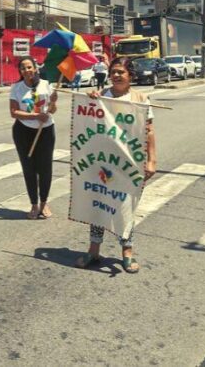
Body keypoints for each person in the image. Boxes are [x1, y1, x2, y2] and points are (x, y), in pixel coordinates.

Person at [74, 57, 157, 274]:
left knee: (125, 208)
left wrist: (151, 161)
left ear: (130, 75)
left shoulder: (140, 100)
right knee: (98, 204)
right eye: (114, 71)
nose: (117, 75)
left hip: (129, 164)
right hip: (102, 161)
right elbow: (89, 121)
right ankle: (93, 251)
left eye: (121, 72)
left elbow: (149, 131)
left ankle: (127, 253)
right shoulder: (102, 96)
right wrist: (91, 100)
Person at [9, 56, 58, 220]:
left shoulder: (47, 85)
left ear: (35, 68)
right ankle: (34, 204)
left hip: (45, 131)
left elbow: (52, 110)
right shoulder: (16, 88)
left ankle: (44, 203)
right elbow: (14, 112)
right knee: (29, 168)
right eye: (23, 68)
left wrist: (53, 103)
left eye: (29, 67)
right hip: (23, 132)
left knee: (45, 168)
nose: (27, 70)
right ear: (20, 72)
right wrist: (35, 115)